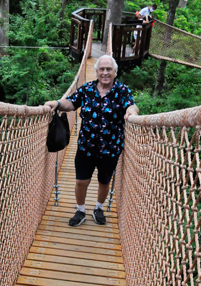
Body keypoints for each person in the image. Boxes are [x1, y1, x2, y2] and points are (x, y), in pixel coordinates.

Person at [44, 55, 139, 227]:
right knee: (81, 181)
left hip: (110, 148)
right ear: (96, 72)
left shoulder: (122, 91)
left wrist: (132, 112)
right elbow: (72, 103)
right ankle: (80, 210)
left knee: (104, 181)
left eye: (109, 69)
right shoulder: (87, 89)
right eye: (101, 69)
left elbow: (131, 105)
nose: (105, 72)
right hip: (86, 147)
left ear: (115, 72)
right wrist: (57, 103)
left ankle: (98, 208)